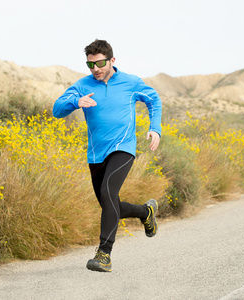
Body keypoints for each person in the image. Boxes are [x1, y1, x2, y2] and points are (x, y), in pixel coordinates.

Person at [52, 39, 162, 272]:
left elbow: (154, 100)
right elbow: (57, 109)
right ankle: (146, 211)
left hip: (123, 148)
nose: (95, 69)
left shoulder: (131, 83)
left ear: (112, 60)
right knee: (109, 204)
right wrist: (75, 101)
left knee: (108, 192)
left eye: (100, 63)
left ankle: (104, 254)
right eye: (90, 65)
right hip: (96, 155)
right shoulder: (83, 85)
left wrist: (155, 127)